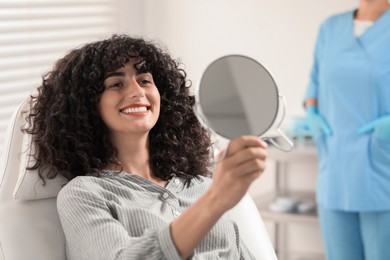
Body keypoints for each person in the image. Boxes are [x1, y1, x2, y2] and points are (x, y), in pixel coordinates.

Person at [25, 34, 268, 260]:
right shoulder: (85, 194)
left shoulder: (199, 187)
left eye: (144, 81)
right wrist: (215, 201)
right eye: (116, 84)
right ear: (85, 105)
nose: (137, 92)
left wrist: (214, 195)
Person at [303, 0, 390, 259]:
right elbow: (314, 84)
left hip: (380, 168)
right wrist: (311, 112)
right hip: (335, 167)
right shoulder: (330, 28)